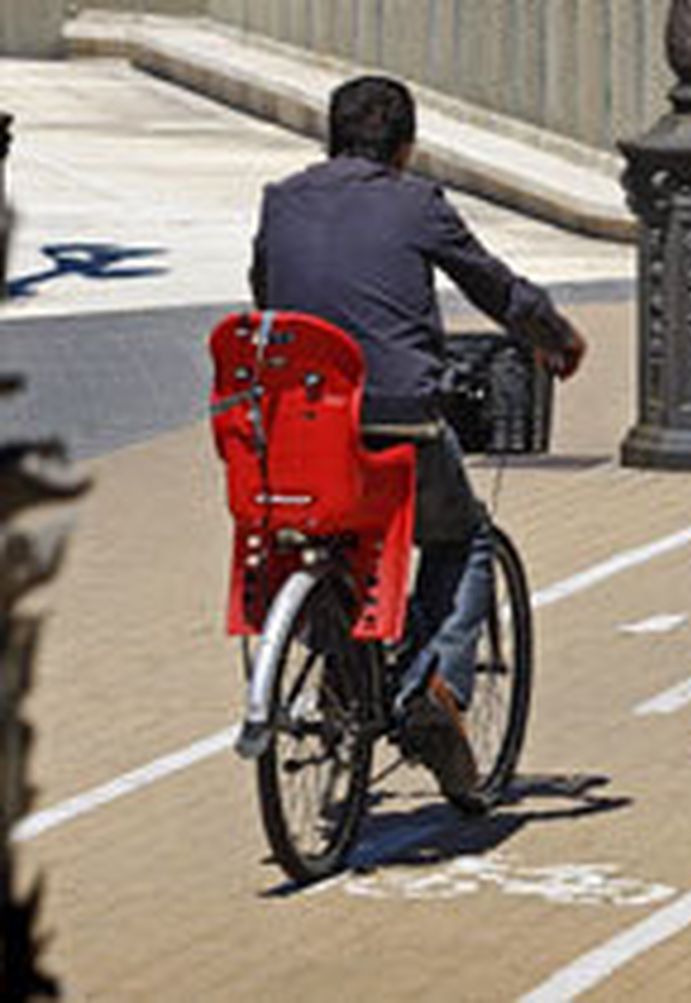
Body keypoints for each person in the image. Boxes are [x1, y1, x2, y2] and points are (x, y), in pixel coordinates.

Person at [249, 75, 586, 809]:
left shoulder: (280, 202)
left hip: (299, 431)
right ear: (404, 147)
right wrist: (555, 338)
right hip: (396, 420)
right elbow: (498, 289)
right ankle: (435, 685)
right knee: (463, 536)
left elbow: (265, 294)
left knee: (329, 534)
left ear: (332, 139)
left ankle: (342, 664)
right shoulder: (416, 203)